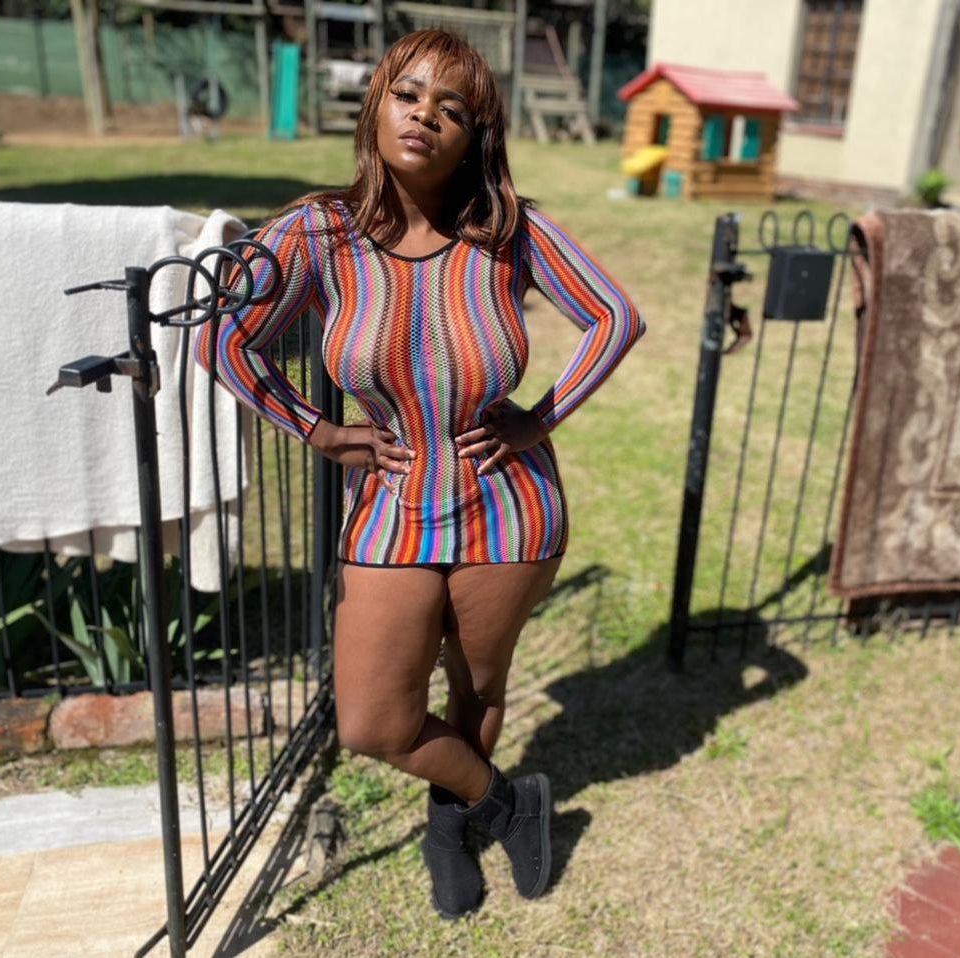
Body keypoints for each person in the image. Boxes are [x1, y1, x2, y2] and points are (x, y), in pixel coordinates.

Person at [194, 28, 644, 919]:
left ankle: (447, 830)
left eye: (452, 109)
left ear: (475, 135)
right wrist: (320, 429)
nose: (424, 117)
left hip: (508, 505)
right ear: (377, 105)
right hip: (390, 503)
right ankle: (507, 804)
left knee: (476, 689)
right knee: (373, 720)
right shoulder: (319, 233)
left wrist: (542, 416)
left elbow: (615, 318)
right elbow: (223, 338)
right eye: (408, 95)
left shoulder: (508, 232)